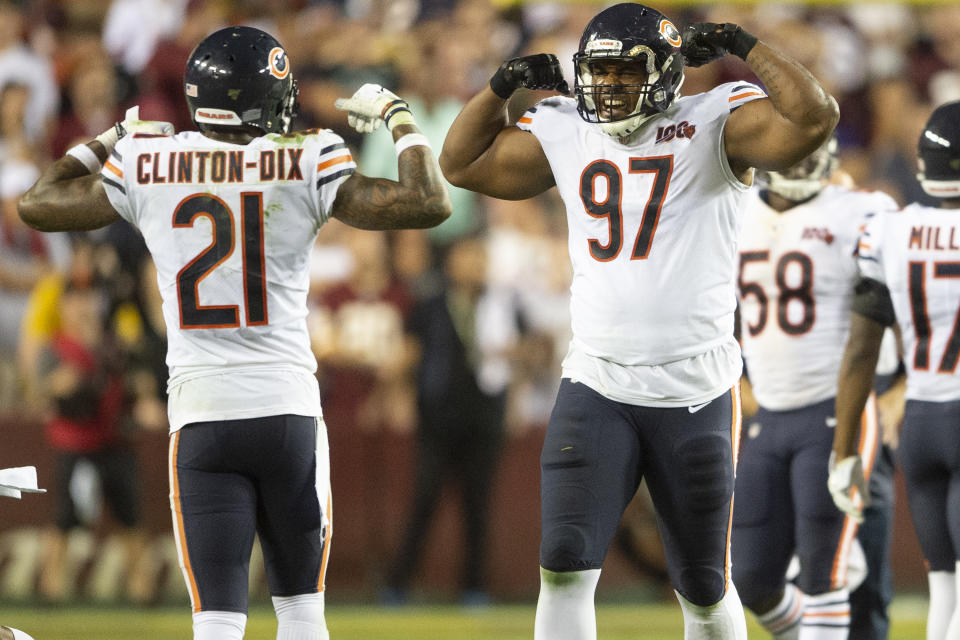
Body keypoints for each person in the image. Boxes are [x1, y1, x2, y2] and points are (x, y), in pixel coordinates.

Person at [18, 25, 450, 640]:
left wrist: (110, 136)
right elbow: (428, 202)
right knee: (302, 614)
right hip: (287, 412)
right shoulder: (306, 155)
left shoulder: (148, 162)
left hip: (201, 416)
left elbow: (38, 202)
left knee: (216, 623)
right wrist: (399, 117)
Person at [439, 3, 839, 639]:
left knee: (704, 584)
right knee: (564, 562)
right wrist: (501, 87)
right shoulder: (568, 128)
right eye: (597, 72)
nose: (608, 85)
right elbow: (460, 165)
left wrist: (745, 45)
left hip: (696, 386)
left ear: (664, 71)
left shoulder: (713, 120)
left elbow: (813, 118)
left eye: (625, 70)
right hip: (597, 380)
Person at [733, 138, 897, 638]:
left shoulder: (863, 211)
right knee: (749, 578)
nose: (797, 160)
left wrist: (903, 386)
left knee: (832, 571)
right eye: (789, 148)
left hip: (839, 406)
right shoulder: (734, 209)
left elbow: (906, 302)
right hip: (769, 410)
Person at [830, 100, 960, 640]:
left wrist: (843, 453)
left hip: (921, 424)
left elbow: (862, 348)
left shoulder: (889, 229)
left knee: (944, 593)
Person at [383, 235, 520, 606]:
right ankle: (398, 584)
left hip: (484, 417)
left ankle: (474, 587)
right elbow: (411, 354)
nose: (475, 265)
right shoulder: (431, 306)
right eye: (468, 257)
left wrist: (515, 373)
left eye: (480, 258)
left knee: (478, 506)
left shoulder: (503, 305)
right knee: (424, 500)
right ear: (452, 263)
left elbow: (529, 351)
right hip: (438, 418)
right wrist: (399, 395)